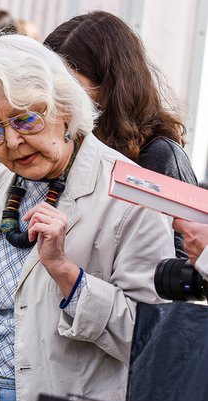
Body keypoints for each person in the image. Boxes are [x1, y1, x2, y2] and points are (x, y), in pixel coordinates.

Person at [0, 34, 174, 401]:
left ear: (65, 109)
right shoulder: (1, 183)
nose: (11, 142)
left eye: (26, 120)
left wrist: (66, 273)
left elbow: (152, 336)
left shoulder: (133, 194)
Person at [44, 11, 198, 258]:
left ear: (111, 83)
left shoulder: (159, 157)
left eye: (70, 86)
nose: (59, 99)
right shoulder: (69, 146)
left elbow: (183, 264)